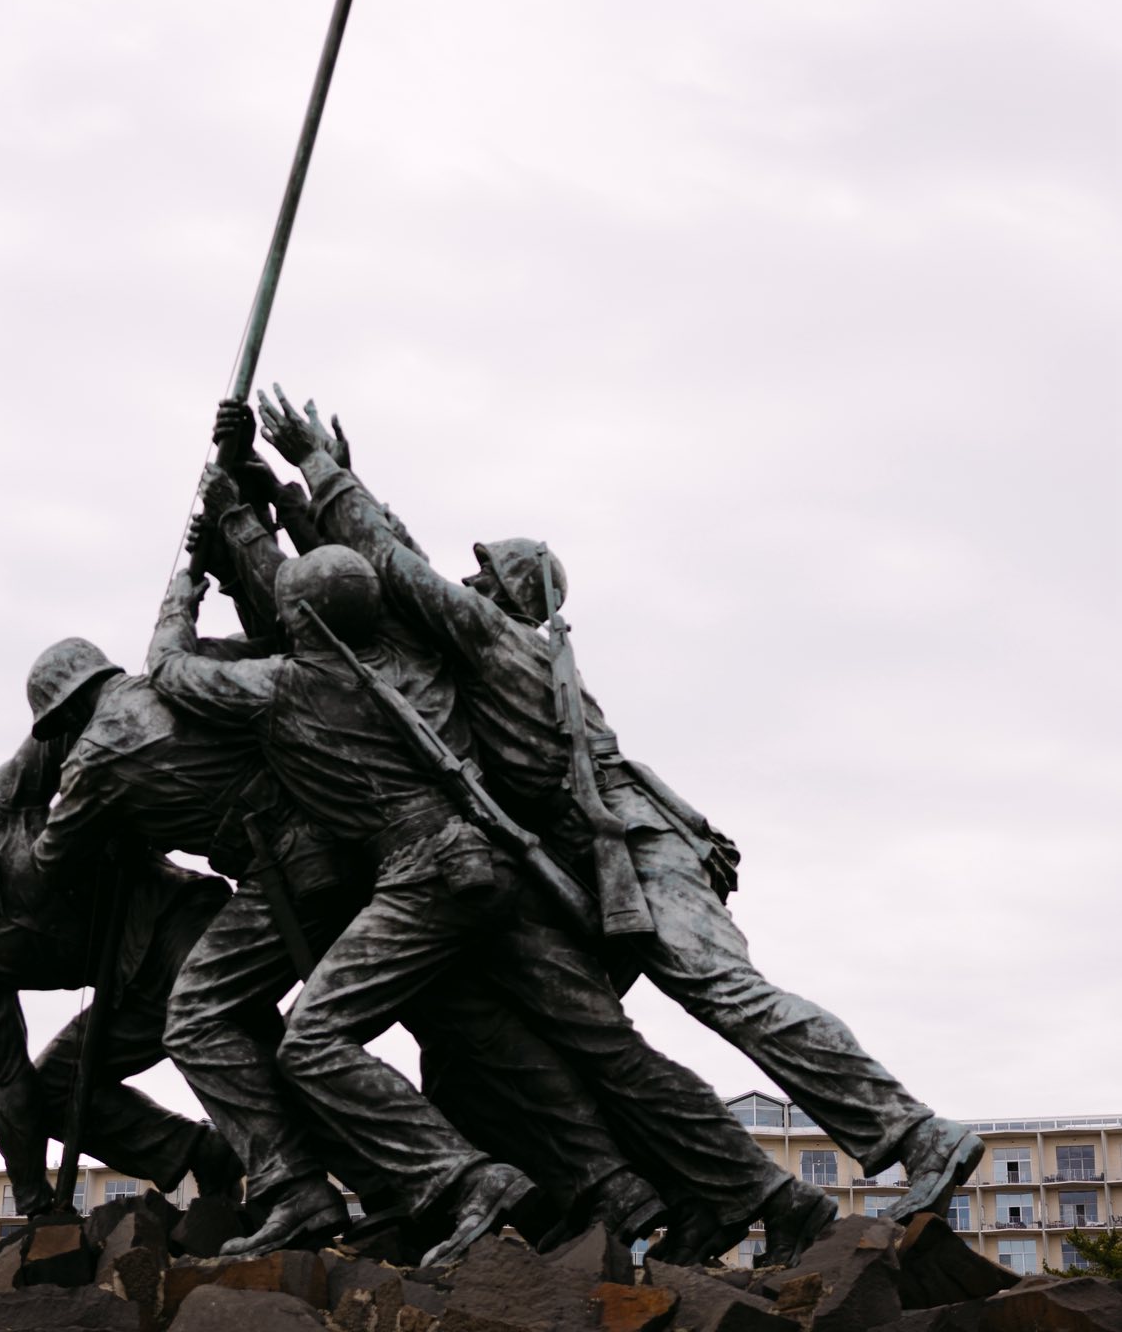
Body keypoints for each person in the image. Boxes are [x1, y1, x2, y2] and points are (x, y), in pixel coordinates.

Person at [255, 387, 984, 1226]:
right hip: (601, 859)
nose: (463, 580)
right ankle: (713, 1196)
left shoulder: (500, 643)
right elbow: (405, 569)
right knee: (583, 1040)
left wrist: (318, 469)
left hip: (636, 844)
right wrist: (327, 487)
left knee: (727, 993)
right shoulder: (500, 643)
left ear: (506, 593)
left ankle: (913, 1133)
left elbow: (398, 570)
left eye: (480, 574)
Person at [147, 547, 824, 1268]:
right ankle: (761, 1195)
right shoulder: (420, 658)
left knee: (311, 1042)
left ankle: (472, 1183)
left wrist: (182, 596)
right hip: (501, 871)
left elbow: (169, 670)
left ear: (298, 617)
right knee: (606, 1050)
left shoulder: (280, 686)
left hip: (422, 878)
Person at [0, 733, 236, 1216]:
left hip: (175, 920)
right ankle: (203, 1151)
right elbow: (10, 1078)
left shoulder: (6, 812)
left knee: (207, 1017)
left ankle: (287, 1163)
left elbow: (73, 728)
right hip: (129, 989)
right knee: (52, 1091)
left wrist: (114, 800)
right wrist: (35, 1200)